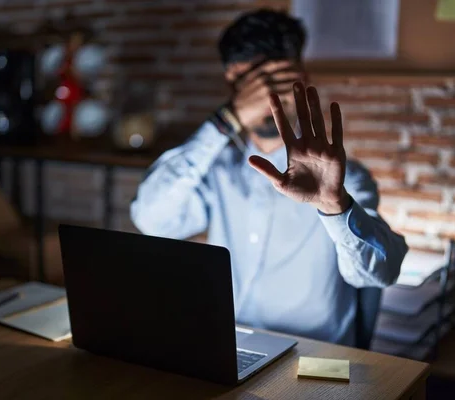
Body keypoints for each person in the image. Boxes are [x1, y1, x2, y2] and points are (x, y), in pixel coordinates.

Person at [130, 9, 408, 346]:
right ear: (234, 85)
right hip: (229, 347)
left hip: (315, 359)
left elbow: (381, 272)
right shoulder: (217, 169)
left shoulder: (344, 179)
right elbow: (152, 219)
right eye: (252, 85)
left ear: (301, 78)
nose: (267, 99)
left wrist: (336, 207)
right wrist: (224, 121)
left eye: (275, 82)